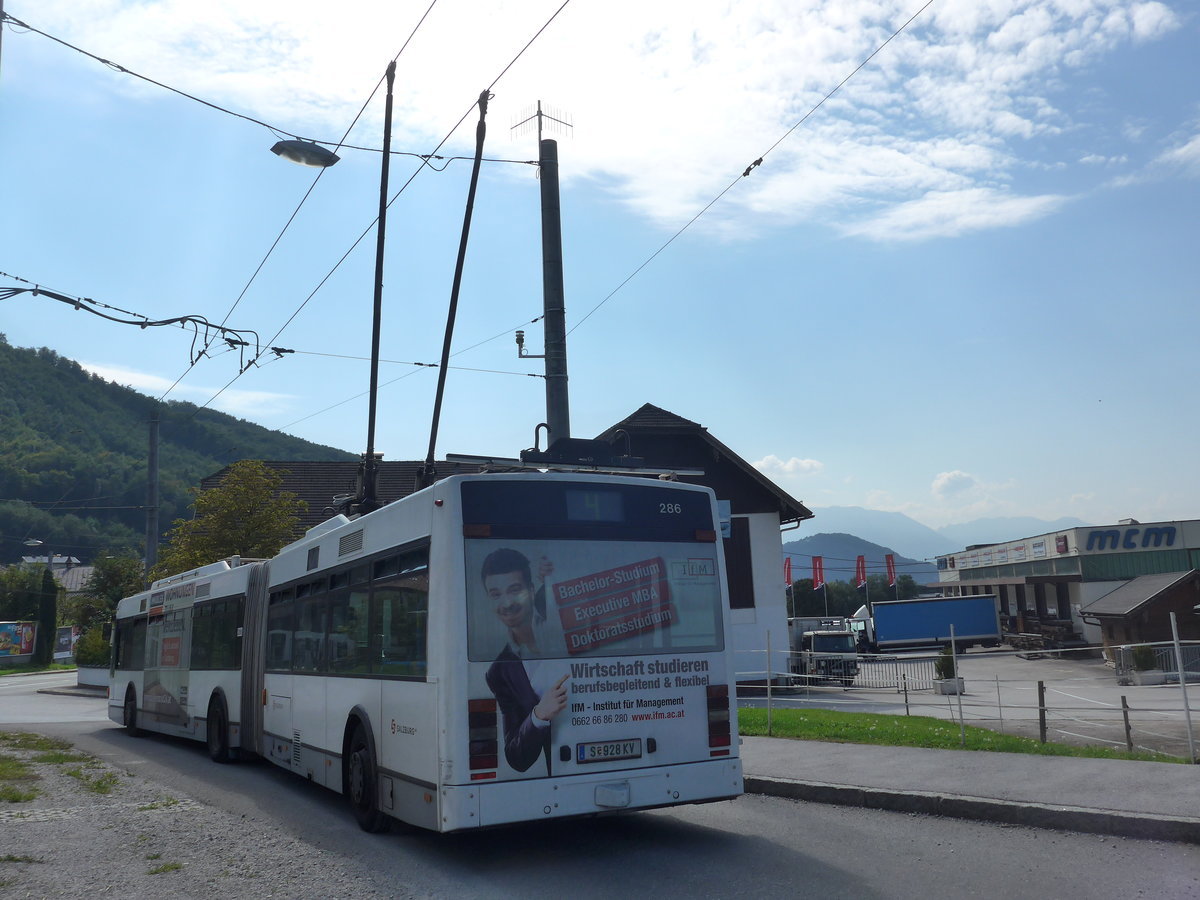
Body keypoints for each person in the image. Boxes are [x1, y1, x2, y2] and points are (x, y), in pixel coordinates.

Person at [481, 548, 569, 774]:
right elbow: (516, 757)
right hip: (562, 771)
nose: (507, 603)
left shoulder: (560, 618)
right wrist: (539, 715)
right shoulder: (499, 672)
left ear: (530, 590)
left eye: (515, 590)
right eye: (496, 594)